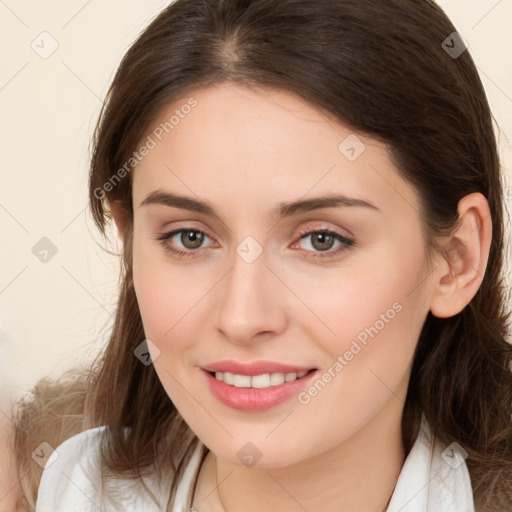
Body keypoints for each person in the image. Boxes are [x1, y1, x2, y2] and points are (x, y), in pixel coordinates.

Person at [17, 0, 512, 510]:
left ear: (456, 259)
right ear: (129, 241)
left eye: (322, 239)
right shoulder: (57, 487)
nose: (242, 317)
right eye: (189, 237)